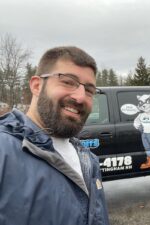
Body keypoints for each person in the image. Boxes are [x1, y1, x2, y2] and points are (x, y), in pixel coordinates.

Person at [0, 46, 109, 225]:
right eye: (68, 81)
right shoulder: (4, 151)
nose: (81, 97)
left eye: (89, 90)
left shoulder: (88, 160)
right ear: (36, 85)